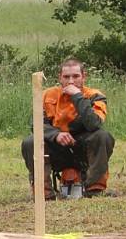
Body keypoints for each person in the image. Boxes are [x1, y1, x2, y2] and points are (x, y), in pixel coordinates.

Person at [21, 57, 115, 198]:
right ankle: (43, 193)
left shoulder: (96, 96)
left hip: (83, 150)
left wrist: (77, 96)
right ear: (60, 78)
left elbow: (94, 123)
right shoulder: (46, 95)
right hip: (56, 150)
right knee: (30, 142)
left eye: (76, 76)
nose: (71, 81)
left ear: (84, 77)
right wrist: (56, 135)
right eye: (66, 77)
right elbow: (36, 124)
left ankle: (95, 190)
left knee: (103, 136)